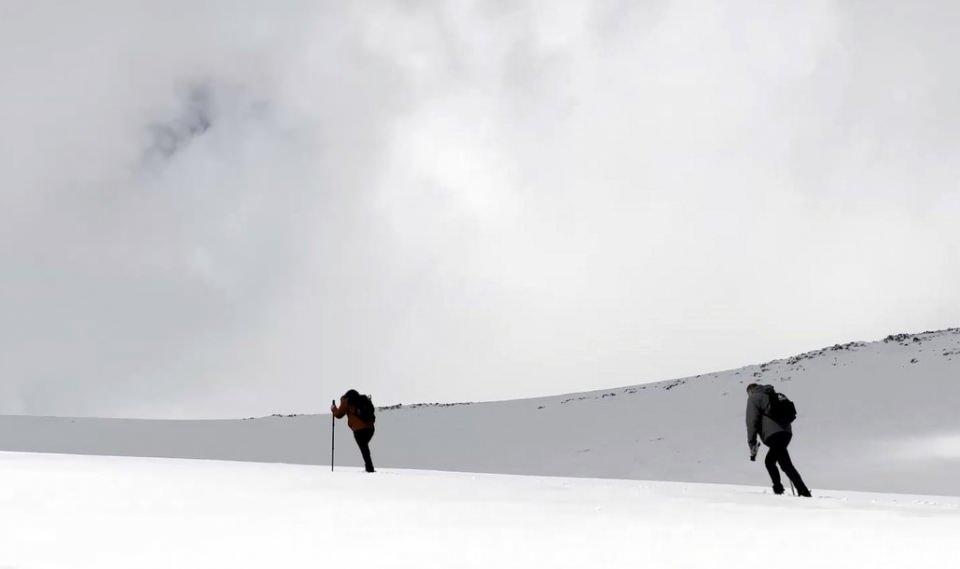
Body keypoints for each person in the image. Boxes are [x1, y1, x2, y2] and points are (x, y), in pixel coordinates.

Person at [745, 383, 811, 497]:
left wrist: (752, 443)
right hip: (786, 433)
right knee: (780, 463)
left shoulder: (754, 397)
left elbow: (751, 422)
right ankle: (797, 490)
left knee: (775, 463)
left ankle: (790, 491)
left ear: (750, 391)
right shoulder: (774, 394)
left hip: (773, 434)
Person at [331, 389, 376, 473]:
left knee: (364, 448)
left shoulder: (346, 401)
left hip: (358, 430)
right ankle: (369, 468)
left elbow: (338, 414)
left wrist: (333, 409)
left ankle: (370, 469)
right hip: (370, 428)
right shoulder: (363, 399)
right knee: (364, 447)